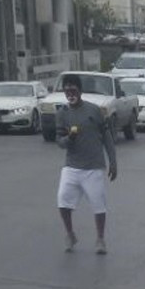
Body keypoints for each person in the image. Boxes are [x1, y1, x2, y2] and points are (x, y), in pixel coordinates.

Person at [55, 74, 117, 254]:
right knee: (63, 201)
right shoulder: (62, 114)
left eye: (73, 90)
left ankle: (100, 239)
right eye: (67, 91)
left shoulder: (94, 111)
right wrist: (69, 138)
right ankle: (70, 234)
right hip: (72, 166)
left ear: (80, 91)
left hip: (93, 167)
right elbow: (59, 142)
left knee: (99, 204)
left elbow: (107, 137)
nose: (70, 94)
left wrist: (113, 162)